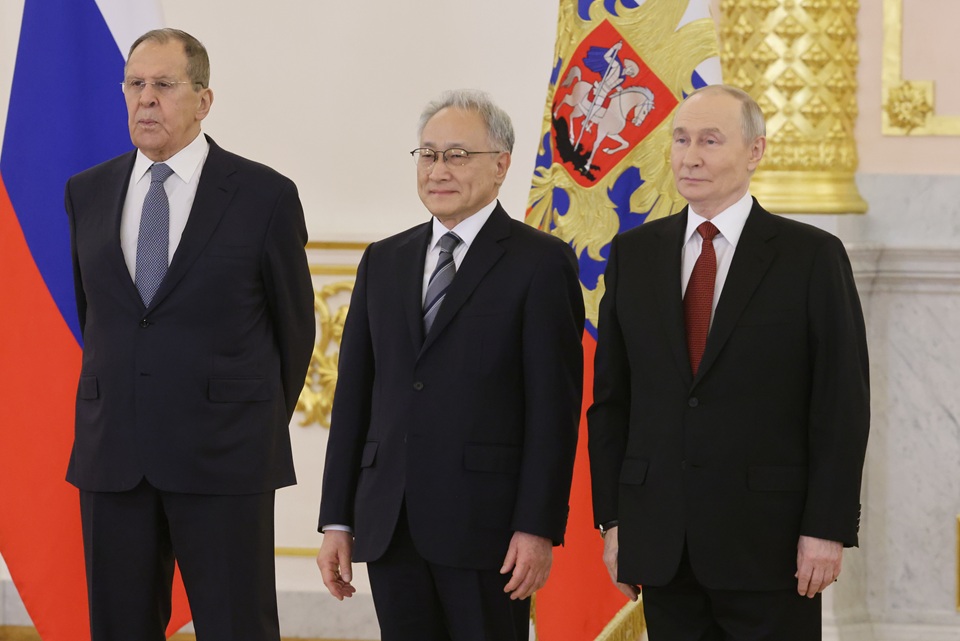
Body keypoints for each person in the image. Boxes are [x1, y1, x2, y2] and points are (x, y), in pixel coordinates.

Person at [587, 84, 870, 640]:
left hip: (770, 545)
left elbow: (840, 404)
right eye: (681, 140)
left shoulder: (811, 256)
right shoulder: (635, 254)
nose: (690, 156)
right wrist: (616, 521)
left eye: (711, 141)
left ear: (755, 151)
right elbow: (613, 401)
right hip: (663, 543)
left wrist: (826, 529)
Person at [65, 29, 315, 641]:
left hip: (224, 458)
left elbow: (295, 331)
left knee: (237, 627)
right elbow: (96, 316)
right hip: (113, 459)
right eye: (135, 85)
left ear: (203, 100)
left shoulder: (264, 196)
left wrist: (239, 421)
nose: (145, 99)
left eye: (163, 85)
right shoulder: (86, 191)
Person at [316, 89, 584, 641]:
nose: (439, 169)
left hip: (486, 530)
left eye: (458, 155)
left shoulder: (540, 264)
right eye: (429, 154)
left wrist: (536, 526)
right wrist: (338, 519)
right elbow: (356, 398)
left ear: (501, 165)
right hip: (390, 522)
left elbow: (552, 411)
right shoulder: (383, 260)